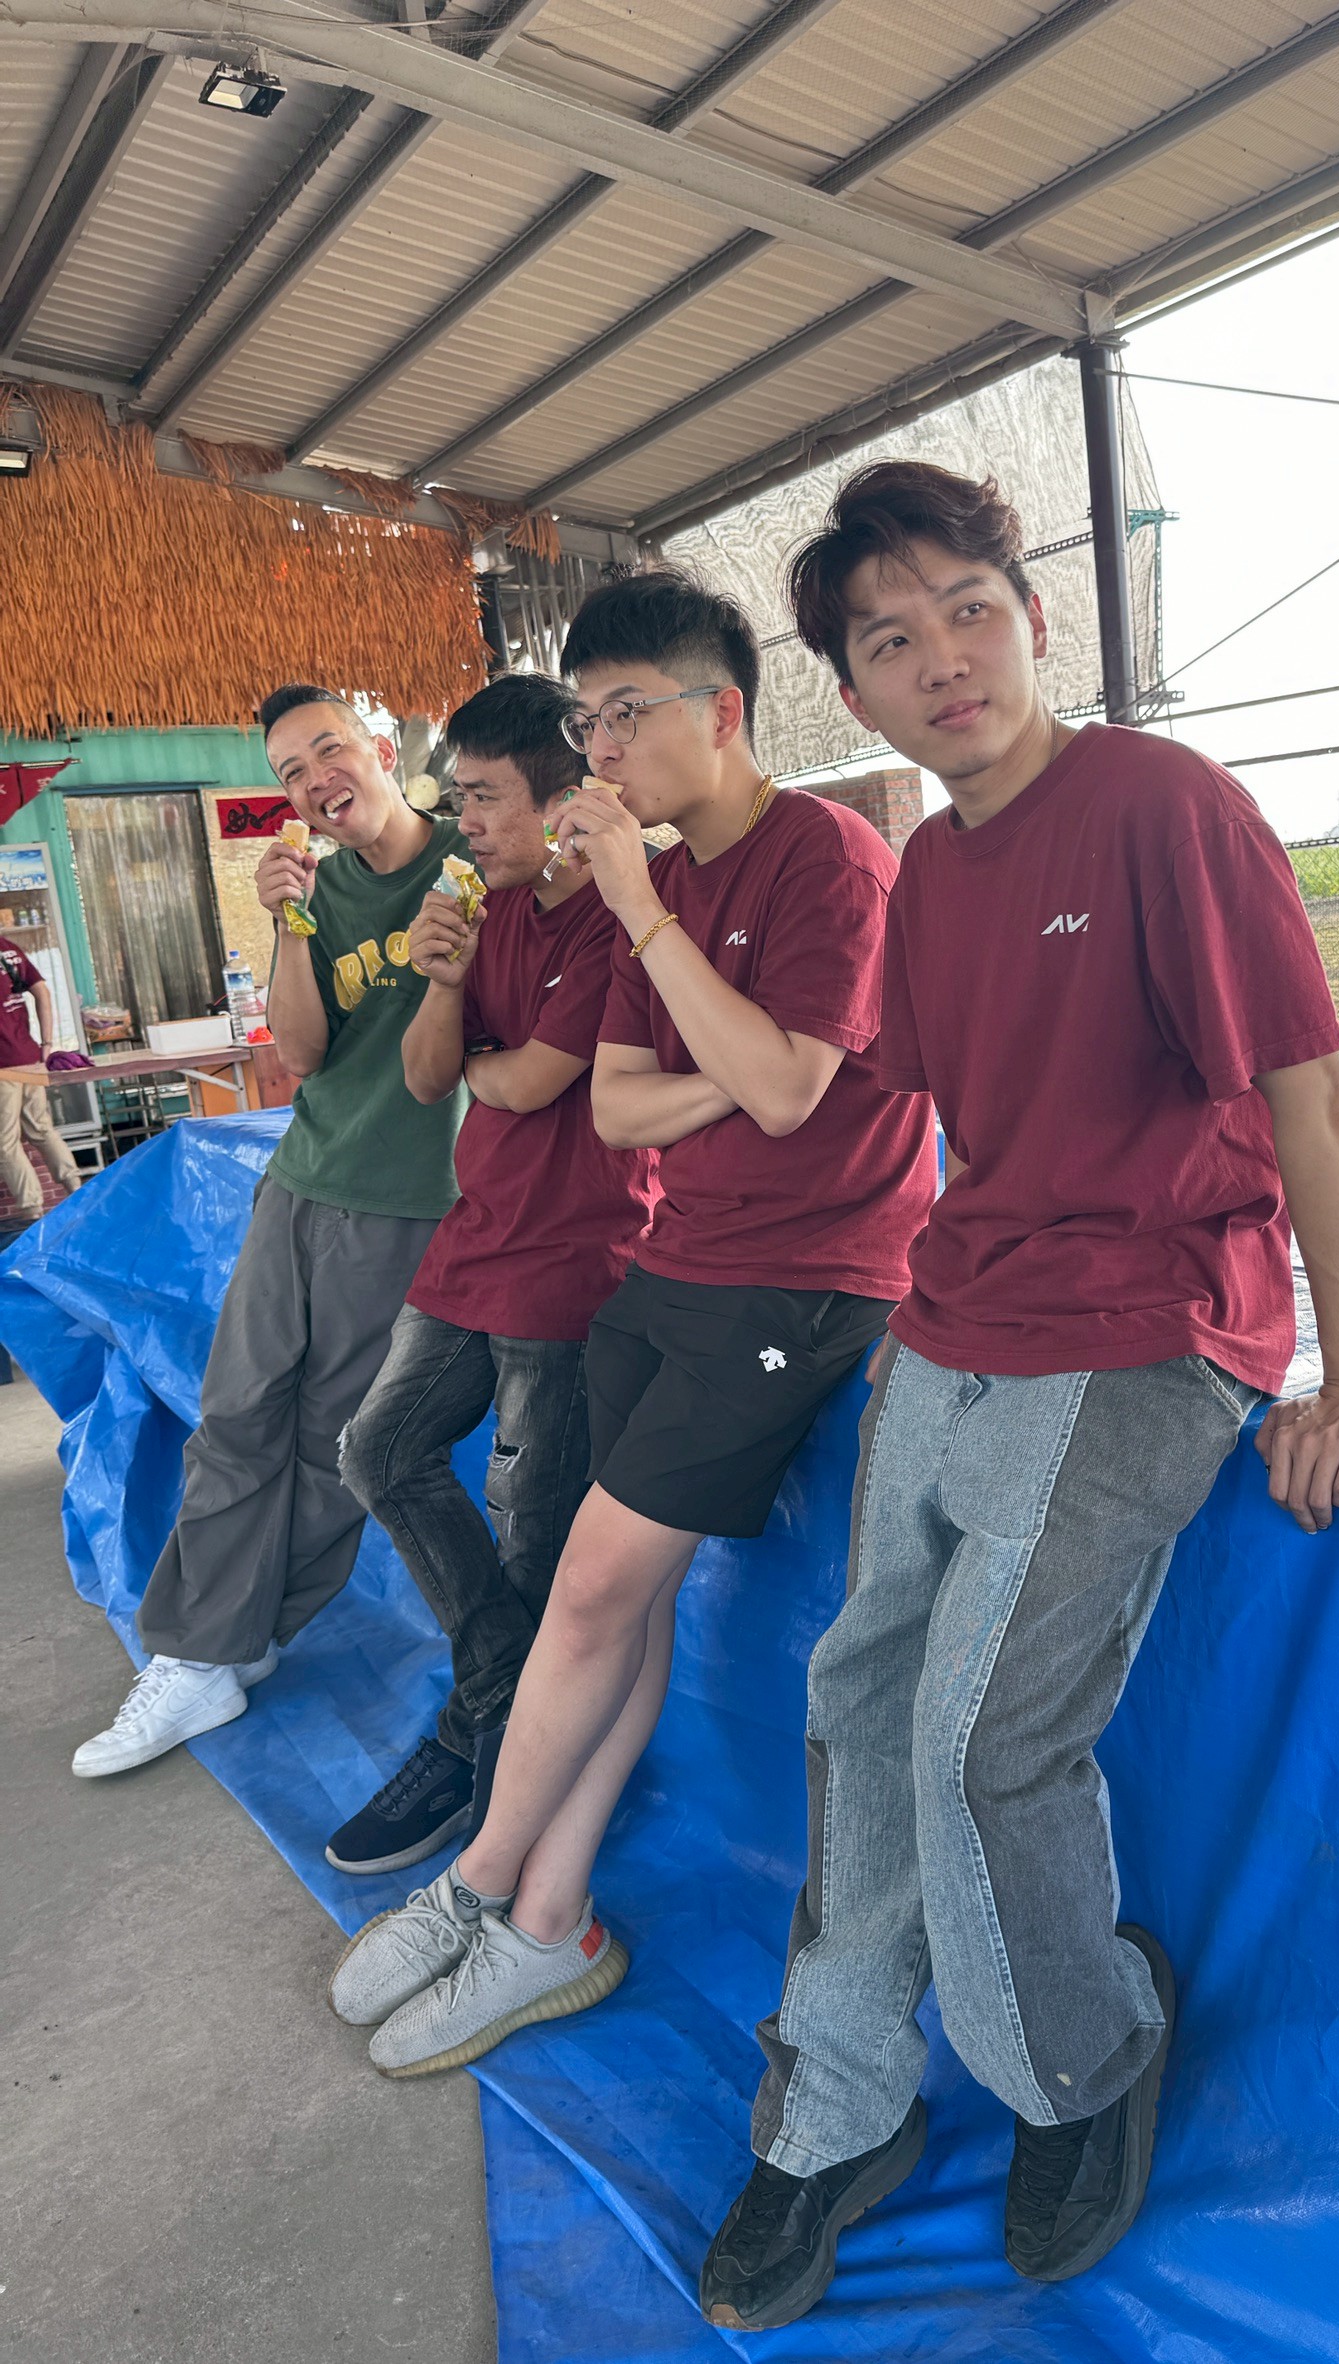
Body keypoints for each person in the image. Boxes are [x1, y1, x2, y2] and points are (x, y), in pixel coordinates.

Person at [698, 462, 1339, 2330]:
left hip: (1145, 1320)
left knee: (973, 1736)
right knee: (856, 1699)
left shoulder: (1161, 804)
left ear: (1031, 618)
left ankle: (1080, 2059)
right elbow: (924, 1111)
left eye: (968, 611)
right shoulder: (929, 866)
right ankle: (835, 2105)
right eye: (888, 640)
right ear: (850, 688)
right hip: (956, 1317)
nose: (941, 660)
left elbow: (1307, 1100)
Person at [327, 568, 935, 2076]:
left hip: (805, 1282)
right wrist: (733, 1051)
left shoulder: (824, 860)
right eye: (585, 723)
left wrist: (676, 962)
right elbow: (616, 1103)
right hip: (674, 1262)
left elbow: (789, 1092)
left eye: (619, 717)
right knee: (622, 1602)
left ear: (718, 713)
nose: (596, 752)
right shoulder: (650, 893)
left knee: (590, 1583)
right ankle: (553, 1915)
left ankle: (481, 1888)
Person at [73, 688, 467, 1778]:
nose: (313, 781)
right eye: (291, 771)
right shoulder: (320, 890)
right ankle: (200, 1649)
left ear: (379, 749)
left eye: (327, 751)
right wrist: (289, 923)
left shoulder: (470, 865)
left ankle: (245, 1639)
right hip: (300, 1181)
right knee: (237, 1410)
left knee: (335, 1442)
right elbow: (299, 1053)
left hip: (408, 1202)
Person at [324, 674, 655, 1876]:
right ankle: (501, 1705)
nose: (459, 822)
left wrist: (481, 1051)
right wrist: (447, 983)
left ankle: (490, 1757)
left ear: (560, 802)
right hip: (472, 1243)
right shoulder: (483, 908)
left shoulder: (617, 919)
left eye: (481, 798)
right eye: (455, 797)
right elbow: (431, 1079)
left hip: (575, 1263)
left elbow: (524, 1082)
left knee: (533, 1529)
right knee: (376, 1450)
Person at [0, 931, 83, 1223]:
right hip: (29, 1056)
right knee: (41, 1129)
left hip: (3, 1065)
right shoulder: (8, 948)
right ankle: (75, 1188)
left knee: (5, 1142)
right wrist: (47, 1044)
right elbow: (43, 992)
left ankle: (32, 1210)